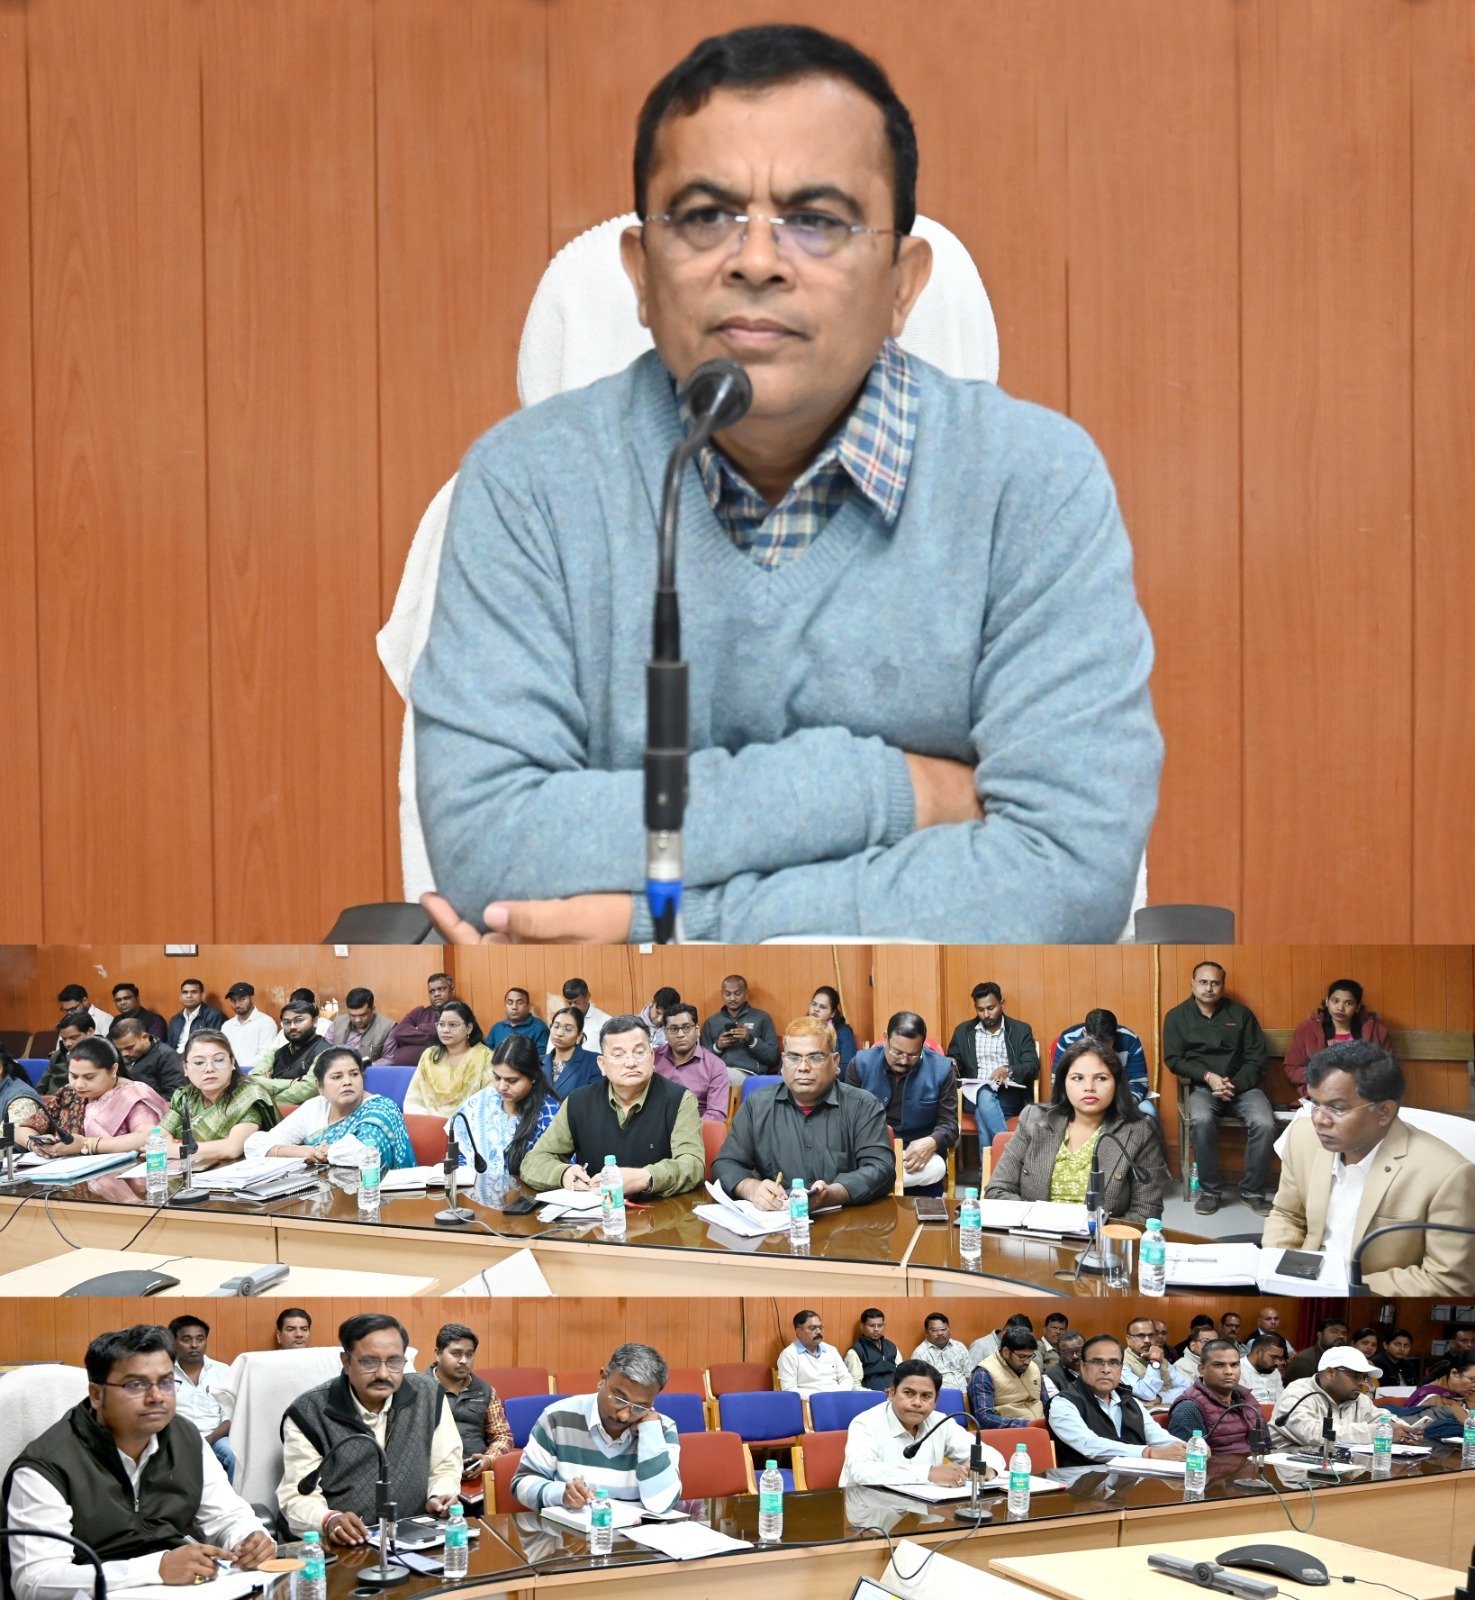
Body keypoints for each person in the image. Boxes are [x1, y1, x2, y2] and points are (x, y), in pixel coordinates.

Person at [413, 22, 1159, 950]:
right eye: (704, 215)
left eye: (815, 220)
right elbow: (493, 849)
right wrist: (893, 790)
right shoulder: (528, 485)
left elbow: (1065, 880)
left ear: (902, 283)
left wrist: (665, 924)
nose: (757, 260)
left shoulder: (1032, 484)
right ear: (641, 274)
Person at [3, 1324, 273, 1600]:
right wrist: (155, 1569)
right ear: (96, 1394)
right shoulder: (47, 1466)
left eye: (166, 1382)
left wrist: (248, 1538)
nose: (156, 1397)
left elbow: (227, 1515)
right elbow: (35, 1581)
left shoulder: (186, 1439)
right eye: (135, 1385)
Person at [1264, 1041, 1475, 1294]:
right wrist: (1278, 1271)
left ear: (1384, 1112)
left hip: (1369, 1291)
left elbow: (1447, 1280)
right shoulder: (1302, 1137)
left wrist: (1345, 1286)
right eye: (1315, 1103)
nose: (1319, 1119)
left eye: (1336, 1108)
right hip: (1299, 1280)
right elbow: (1288, 1215)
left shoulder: (1447, 1175)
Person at [280, 1313, 462, 1541]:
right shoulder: (309, 1413)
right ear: (346, 1362)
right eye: (369, 1362)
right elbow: (297, 1496)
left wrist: (440, 1495)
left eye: (394, 1361)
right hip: (344, 1546)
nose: (383, 1374)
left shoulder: (428, 1394)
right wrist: (328, 1520)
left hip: (414, 1537)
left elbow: (445, 1464)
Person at [712, 1014, 894, 1208]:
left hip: (843, 1219)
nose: (803, 1067)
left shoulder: (863, 1105)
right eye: (794, 1057)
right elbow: (726, 1163)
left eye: (815, 1057)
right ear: (783, 1062)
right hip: (776, 1219)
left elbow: (880, 1169)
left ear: (835, 1062)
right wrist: (751, 1188)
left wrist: (833, 1194)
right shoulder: (756, 1106)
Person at [985, 1038, 1168, 1228]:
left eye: (1101, 1078)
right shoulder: (1034, 1119)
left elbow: (1146, 1213)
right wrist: (1043, 1223)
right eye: (1077, 1078)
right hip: (1035, 1239)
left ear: (1116, 1083)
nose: (1089, 1087)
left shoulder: (1139, 1132)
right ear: (1063, 1082)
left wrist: (1094, 1233)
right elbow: (997, 1191)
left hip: (1101, 1242)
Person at [520, 1015, 705, 1197]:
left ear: (652, 1057)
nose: (631, 1063)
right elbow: (533, 1161)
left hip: (662, 1211)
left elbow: (692, 1165)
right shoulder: (578, 1102)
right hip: (598, 1210)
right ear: (602, 1064)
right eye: (618, 1055)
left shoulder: (679, 1099)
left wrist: (644, 1178)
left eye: (639, 1052)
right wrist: (563, 1175)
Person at [511, 1345, 681, 1511]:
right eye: (619, 1399)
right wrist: (560, 1494)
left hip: (636, 1529)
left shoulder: (662, 1430)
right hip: (573, 1529)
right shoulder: (557, 1417)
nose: (624, 1415)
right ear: (603, 1377)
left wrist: (650, 1433)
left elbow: (662, 1504)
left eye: (640, 1407)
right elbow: (521, 1483)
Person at [1163, 961, 1274, 1216]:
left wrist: (1233, 1084)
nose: (1209, 988)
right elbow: (1174, 1059)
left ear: (1223, 985)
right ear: (1192, 983)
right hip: (1202, 1088)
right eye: (1203, 982)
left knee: (1265, 1123)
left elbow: (1257, 1058)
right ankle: (1210, 1192)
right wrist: (1207, 1076)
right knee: (1201, 1119)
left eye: (1215, 983)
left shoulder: (1241, 1014)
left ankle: (1253, 1192)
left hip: (1243, 1087)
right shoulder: (1177, 1017)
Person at [840, 1359, 1005, 1488]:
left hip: (923, 1510)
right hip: (870, 1511)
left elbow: (993, 1456)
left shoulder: (941, 1422)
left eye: (926, 1396)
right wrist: (929, 1473)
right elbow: (861, 1471)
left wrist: (987, 1469)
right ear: (891, 1393)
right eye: (908, 1393)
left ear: (936, 1400)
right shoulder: (865, 1423)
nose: (917, 1403)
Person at [244, 1047, 415, 1170]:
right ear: (320, 1086)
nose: (347, 1082)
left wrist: (323, 1151)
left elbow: (365, 1154)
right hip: (322, 1194)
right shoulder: (315, 1106)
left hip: (378, 1197)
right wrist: (299, 1151)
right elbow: (254, 1145)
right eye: (337, 1077)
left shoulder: (381, 1109)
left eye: (354, 1074)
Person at [845, 1011, 958, 1193]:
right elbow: (846, 1118)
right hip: (870, 1150)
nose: (903, 1061)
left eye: (912, 1055)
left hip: (914, 1155)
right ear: (885, 1038)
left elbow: (949, 1125)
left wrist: (931, 1142)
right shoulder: (861, 1064)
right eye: (896, 1052)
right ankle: (878, 1177)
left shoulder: (942, 1069)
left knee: (937, 1167)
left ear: (922, 1045)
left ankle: (871, 1182)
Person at [1046, 1336, 1189, 1467]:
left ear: (1121, 1369)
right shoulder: (1063, 1403)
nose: (1106, 1370)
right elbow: (1088, 1445)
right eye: (1097, 1362)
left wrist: (1191, 1450)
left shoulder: (1130, 1402)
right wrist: (1148, 1452)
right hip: (1083, 1482)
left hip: (1133, 1481)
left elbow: (1159, 1437)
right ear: (1083, 1367)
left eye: (1114, 1363)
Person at [16, 1038, 167, 1156]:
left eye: (89, 1077)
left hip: (120, 1178)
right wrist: (35, 1144)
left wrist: (87, 1145)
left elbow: (148, 1137)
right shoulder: (68, 1094)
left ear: (113, 1070)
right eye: (74, 1076)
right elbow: (22, 1130)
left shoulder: (132, 1095)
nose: (79, 1084)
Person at [150, 1029, 278, 1168]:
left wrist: (174, 1149)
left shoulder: (249, 1096)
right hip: (192, 1173)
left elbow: (232, 1148)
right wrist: (167, 1143)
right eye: (199, 1062)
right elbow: (157, 1137)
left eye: (218, 1060)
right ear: (185, 1068)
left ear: (232, 1062)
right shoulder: (185, 1097)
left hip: (238, 1174)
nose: (209, 1068)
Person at [451, 1036, 560, 1185]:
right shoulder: (480, 1101)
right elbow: (461, 1153)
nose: (502, 1087)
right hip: (474, 1192)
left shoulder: (550, 1113)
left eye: (512, 1080)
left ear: (533, 1077)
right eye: (497, 1077)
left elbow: (557, 1171)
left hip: (528, 1195)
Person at [1271, 1346, 1421, 1450]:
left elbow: (1381, 1417)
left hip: (1337, 1469)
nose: (1362, 1383)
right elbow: (1313, 1434)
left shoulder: (1358, 1399)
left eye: (1364, 1377)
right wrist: (1378, 1432)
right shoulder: (1297, 1393)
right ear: (1330, 1373)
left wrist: (1404, 1430)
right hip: (1288, 1473)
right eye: (1356, 1375)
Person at [946, 982, 1039, 1143]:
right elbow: (955, 1061)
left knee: (982, 1111)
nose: (986, 1014)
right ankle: (1007, 1151)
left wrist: (1008, 1070)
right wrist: (952, 1064)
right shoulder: (963, 1032)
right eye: (980, 1010)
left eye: (991, 1008)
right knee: (983, 1094)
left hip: (1008, 1094)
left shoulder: (1020, 1030)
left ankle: (994, 1158)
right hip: (973, 1096)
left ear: (1002, 1004)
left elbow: (1032, 1066)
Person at [430, 1323, 513, 1498]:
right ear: (437, 1354)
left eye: (469, 1355)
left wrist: (488, 1459)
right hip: (431, 1480)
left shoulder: (485, 1391)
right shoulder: (419, 1389)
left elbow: (503, 1436)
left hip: (476, 1479)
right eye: (456, 1353)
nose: (463, 1361)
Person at [1283, 979, 1393, 1089]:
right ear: (1327, 1002)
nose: (1340, 1008)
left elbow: (1387, 1068)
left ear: (1358, 1007)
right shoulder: (1308, 1029)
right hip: (1321, 1093)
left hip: (1362, 1093)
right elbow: (1292, 1068)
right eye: (1335, 1001)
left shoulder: (1376, 1031)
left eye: (1348, 1003)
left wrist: (1357, 1080)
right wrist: (1322, 1077)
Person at [168, 1315, 236, 1480]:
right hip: (176, 1438)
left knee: (235, 1456)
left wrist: (209, 1440)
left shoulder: (222, 1371)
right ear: (173, 1342)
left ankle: (231, 1497)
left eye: (200, 1339)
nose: (194, 1345)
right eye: (186, 1339)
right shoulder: (165, 1373)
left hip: (216, 1438)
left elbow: (229, 1416)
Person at [404, 999, 496, 1118]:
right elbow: (413, 1099)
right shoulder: (429, 1056)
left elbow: (490, 1101)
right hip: (430, 1123)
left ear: (469, 1028)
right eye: (441, 1024)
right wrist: (429, 1123)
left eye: (453, 1025)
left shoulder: (484, 1056)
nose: (445, 1030)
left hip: (469, 1124)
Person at [1053, 1008, 1154, 1116]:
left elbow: (1139, 1082)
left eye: (1106, 1045)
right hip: (1078, 1100)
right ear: (1085, 1033)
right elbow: (1058, 1082)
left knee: (1148, 1111)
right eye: (1095, 1044)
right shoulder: (1067, 1040)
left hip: (1121, 1099)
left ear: (1115, 1035)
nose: (1101, 1050)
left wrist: (1122, 1105)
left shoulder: (1130, 1040)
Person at [1167, 1340, 1262, 1451]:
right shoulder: (1189, 1407)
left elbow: (1265, 1444)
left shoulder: (1248, 1398)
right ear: (1202, 1369)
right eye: (1219, 1365)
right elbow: (1188, 1457)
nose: (1229, 1371)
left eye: (1234, 1365)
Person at [652, 1000, 730, 1120]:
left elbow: (716, 1114)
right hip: (655, 1123)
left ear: (697, 1029)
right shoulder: (652, 1058)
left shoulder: (714, 1066)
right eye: (673, 1029)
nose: (680, 1034)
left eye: (686, 1027)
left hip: (695, 1126)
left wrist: (689, 1128)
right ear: (665, 1032)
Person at [701, 974, 780, 1087]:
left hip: (750, 1074)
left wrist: (750, 1039)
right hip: (718, 1073)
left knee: (721, 1077)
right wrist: (717, 1047)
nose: (732, 998)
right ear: (722, 994)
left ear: (746, 994)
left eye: (737, 993)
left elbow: (773, 1057)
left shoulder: (762, 1018)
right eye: (727, 994)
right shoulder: (711, 1022)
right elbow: (702, 1061)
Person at [252, 1000, 332, 1107]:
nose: (292, 1026)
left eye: (299, 1020)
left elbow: (309, 1089)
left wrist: (269, 1090)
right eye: (287, 1022)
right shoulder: (276, 1053)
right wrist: (290, 1083)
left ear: (315, 1022)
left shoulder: (326, 1052)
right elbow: (252, 1080)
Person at [968, 1325, 1043, 1427]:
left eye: (1030, 1356)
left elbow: (1047, 1403)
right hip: (1012, 1431)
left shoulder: (1033, 1368)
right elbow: (984, 1417)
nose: (1027, 1362)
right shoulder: (984, 1373)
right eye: (1022, 1357)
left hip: (1042, 1427)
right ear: (1006, 1352)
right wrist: (1027, 1425)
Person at [377, 972, 457, 1065]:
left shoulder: (459, 1012)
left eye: (441, 989)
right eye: (432, 991)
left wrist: (418, 1029)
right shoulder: (419, 1012)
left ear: (452, 989)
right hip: (404, 1070)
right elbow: (399, 1032)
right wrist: (432, 1035)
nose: (436, 994)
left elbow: (448, 1035)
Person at [778, 1309, 856, 1394]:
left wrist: (838, 1394)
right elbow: (789, 1389)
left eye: (820, 1327)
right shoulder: (788, 1354)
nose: (818, 1331)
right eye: (812, 1328)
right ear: (799, 1332)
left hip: (836, 1398)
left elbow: (846, 1378)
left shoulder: (831, 1350)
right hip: (809, 1400)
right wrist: (818, 1398)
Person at [108, 1017, 186, 1099]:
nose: (124, 1054)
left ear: (145, 1037)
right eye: (120, 1049)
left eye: (129, 1048)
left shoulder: (167, 1057)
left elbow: (175, 1096)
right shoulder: (121, 1056)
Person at [1123, 1315, 1188, 1407]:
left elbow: (1186, 1389)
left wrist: (1160, 1398)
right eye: (1141, 1335)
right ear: (1128, 1340)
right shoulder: (1121, 1362)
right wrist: (1154, 1361)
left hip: (1165, 1411)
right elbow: (1147, 1393)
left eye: (1151, 1335)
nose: (1147, 1340)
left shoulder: (1163, 1361)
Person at [541, 1005, 604, 1099]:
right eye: (556, 1026)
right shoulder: (537, 1062)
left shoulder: (594, 1062)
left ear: (579, 1036)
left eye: (568, 1029)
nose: (559, 1033)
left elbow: (596, 1099)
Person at [908, 1312, 972, 1393]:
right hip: (938, 1396)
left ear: (949, 1329)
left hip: (964, 1394)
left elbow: (968, 1375)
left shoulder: (959, 1347)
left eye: (943, 1329)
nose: (940, 1333)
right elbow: (917, 1383)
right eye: (934, 1330)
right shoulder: (920, 1353)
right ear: (926, 1333)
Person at [222, 982, 278, 1069]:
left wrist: (241, 1070)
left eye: (242, 999)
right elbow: (222, 1051)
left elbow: (266, 1054)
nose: (237, 1005)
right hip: (229, 1071)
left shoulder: (265, 1022)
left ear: (252, 998)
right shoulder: (227, 1025)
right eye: (233, 1000)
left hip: (254, 1072)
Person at [329, 987, 395, 1060]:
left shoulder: (388, 1027)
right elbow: (325, 1050)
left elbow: (389, 1059)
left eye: (362, 1015)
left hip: (369, 1067)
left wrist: (362, 1065)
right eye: (352, 1015)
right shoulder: (338, 1022)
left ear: (373, 1009)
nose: (357, 1020)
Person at [1283, 1320, 1352, 1386]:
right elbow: (1296, 1390)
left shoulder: (1346, 1360)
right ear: (1320, 1335)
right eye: (1334, 1332)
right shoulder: (1303, 1360)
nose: (1341, 1336)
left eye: (1344, 1333)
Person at [39, 1011, 94, 1093]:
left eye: (74, 1038)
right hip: (50, 1098)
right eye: (64, 1039)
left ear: (90, 1032)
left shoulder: (102, 1056)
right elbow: (41, 1086)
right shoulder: (58, 1055)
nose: (68, 1043)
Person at [845, 1308, 899, 1392]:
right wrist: (876, 1394)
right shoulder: (855, 1352)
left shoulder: (892, 1347)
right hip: (871, 1396)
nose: (876, 1329)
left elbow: (902, 1375)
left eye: (880, 1326)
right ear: (862, 1327)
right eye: (871, 1326)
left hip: (895, 1394)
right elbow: (854, 1385)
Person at [166, 978, 225, 1054]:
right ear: (180, 997)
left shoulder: (213, 1016)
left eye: (194, 992)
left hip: (198, 1057)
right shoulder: (175, 1019)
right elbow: (169, 1045)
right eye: (185, 992)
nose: (189, 996)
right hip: (175, 1057)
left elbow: (212, 1045)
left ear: (202, 996)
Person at [489, 987, 551, 1054]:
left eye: (520, 1003)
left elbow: (542, 1058)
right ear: (505, 1006)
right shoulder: (497, 1027)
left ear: (528, 1006)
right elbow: (487, 1053)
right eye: (510, 1003)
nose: (514, 1007)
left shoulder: (540, 1028)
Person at [810, 986, 858, 1069]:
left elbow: (848, 1067)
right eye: (814, 1004)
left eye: (823, 1007)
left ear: (833, 1013)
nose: (816, 1009)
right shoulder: (800, 1029)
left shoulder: (844, 1032)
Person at [562, 978, 611, 1052]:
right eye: (569, 1003)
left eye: (577, 1002)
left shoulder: (605, 1022)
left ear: (588, 996)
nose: (573, 1006)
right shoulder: (561, 1020)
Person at [1243, 1334, 1289, 1404]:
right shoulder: (1239, 1370)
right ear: (1258, 1353)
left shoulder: (1274, 1370)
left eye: (1279, 1358)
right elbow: (1242, 1404)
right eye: (1274, 1357)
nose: (1277, 1362)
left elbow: (1281, 1401)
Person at [1042, 1332, 1085, 1401]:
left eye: (1079, 1351)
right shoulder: (1050, 1377)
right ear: (1058, 1353)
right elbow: (1055, 1404)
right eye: (1068, 1352)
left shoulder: (1094, 1369)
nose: (1075, 1356)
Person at [1173, 1323, 1215, 1391]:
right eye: (1206, 1341)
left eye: (1216, 1342)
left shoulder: (1220, 1364)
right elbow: (1189, 1393)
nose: (1212, 1346)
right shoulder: (1182, 1366)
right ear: (1193, 1345)